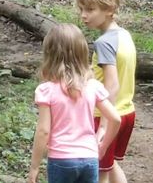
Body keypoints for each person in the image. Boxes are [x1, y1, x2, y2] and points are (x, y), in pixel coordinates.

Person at [29, 24, 122, 183]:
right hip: (90, 158)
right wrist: (103, 146)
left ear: (50, 55)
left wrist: (34, 167)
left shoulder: (47, 90)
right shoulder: (93, 86)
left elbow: (43, 131)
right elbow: (115, 119)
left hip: (61, 159)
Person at [76, 0, 137, 183]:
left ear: (110, 10)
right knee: (110, 166)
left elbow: (112, 85)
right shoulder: (124, 35)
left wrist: (103, 126)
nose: (84, 15)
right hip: (127, 111)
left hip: (107, 115)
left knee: (99, 172)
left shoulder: (103, 43)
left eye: (90, 10)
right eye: (82, 9)